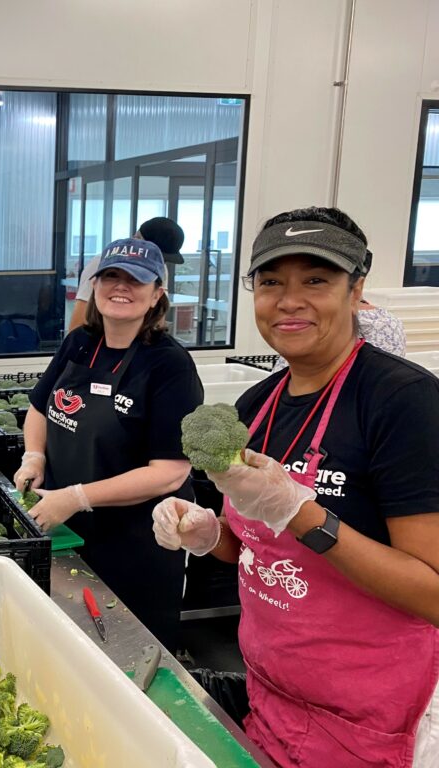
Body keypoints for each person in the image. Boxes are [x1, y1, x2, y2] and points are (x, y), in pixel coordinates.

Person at [153, 207, 439, 767]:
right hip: (272, 691)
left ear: (356, 290)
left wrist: (302, 514)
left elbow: (431, 592)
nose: (289, 299)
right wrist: (206, 533)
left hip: (373, 715)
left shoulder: (402, 403)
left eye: (316, 279)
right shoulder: (254, 408)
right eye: (271, 282)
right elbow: (255, 546)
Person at [15, 237, 204, 650]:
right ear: (95, 286)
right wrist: (34, 457)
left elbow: (170, 472)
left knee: (133, 652)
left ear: (157, 294)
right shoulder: (80, 342)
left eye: (135, 280)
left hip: (136, 544)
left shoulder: (169, 365)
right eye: (111, 276)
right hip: (67, 527)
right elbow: (39, 408)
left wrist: (78, 495)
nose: (121, 287)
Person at [270, 248, 406, 372]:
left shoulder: (335, 323)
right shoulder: (391, 322)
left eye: (315, 281)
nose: (290, 304)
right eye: (271, 282)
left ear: (356, 287)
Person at [69, 217, 186, 332]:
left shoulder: (159, 267)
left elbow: (158, 316)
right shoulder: (106, 262)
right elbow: (79, 321)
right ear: (137, 239)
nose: (158, 261)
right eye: (113, 276)